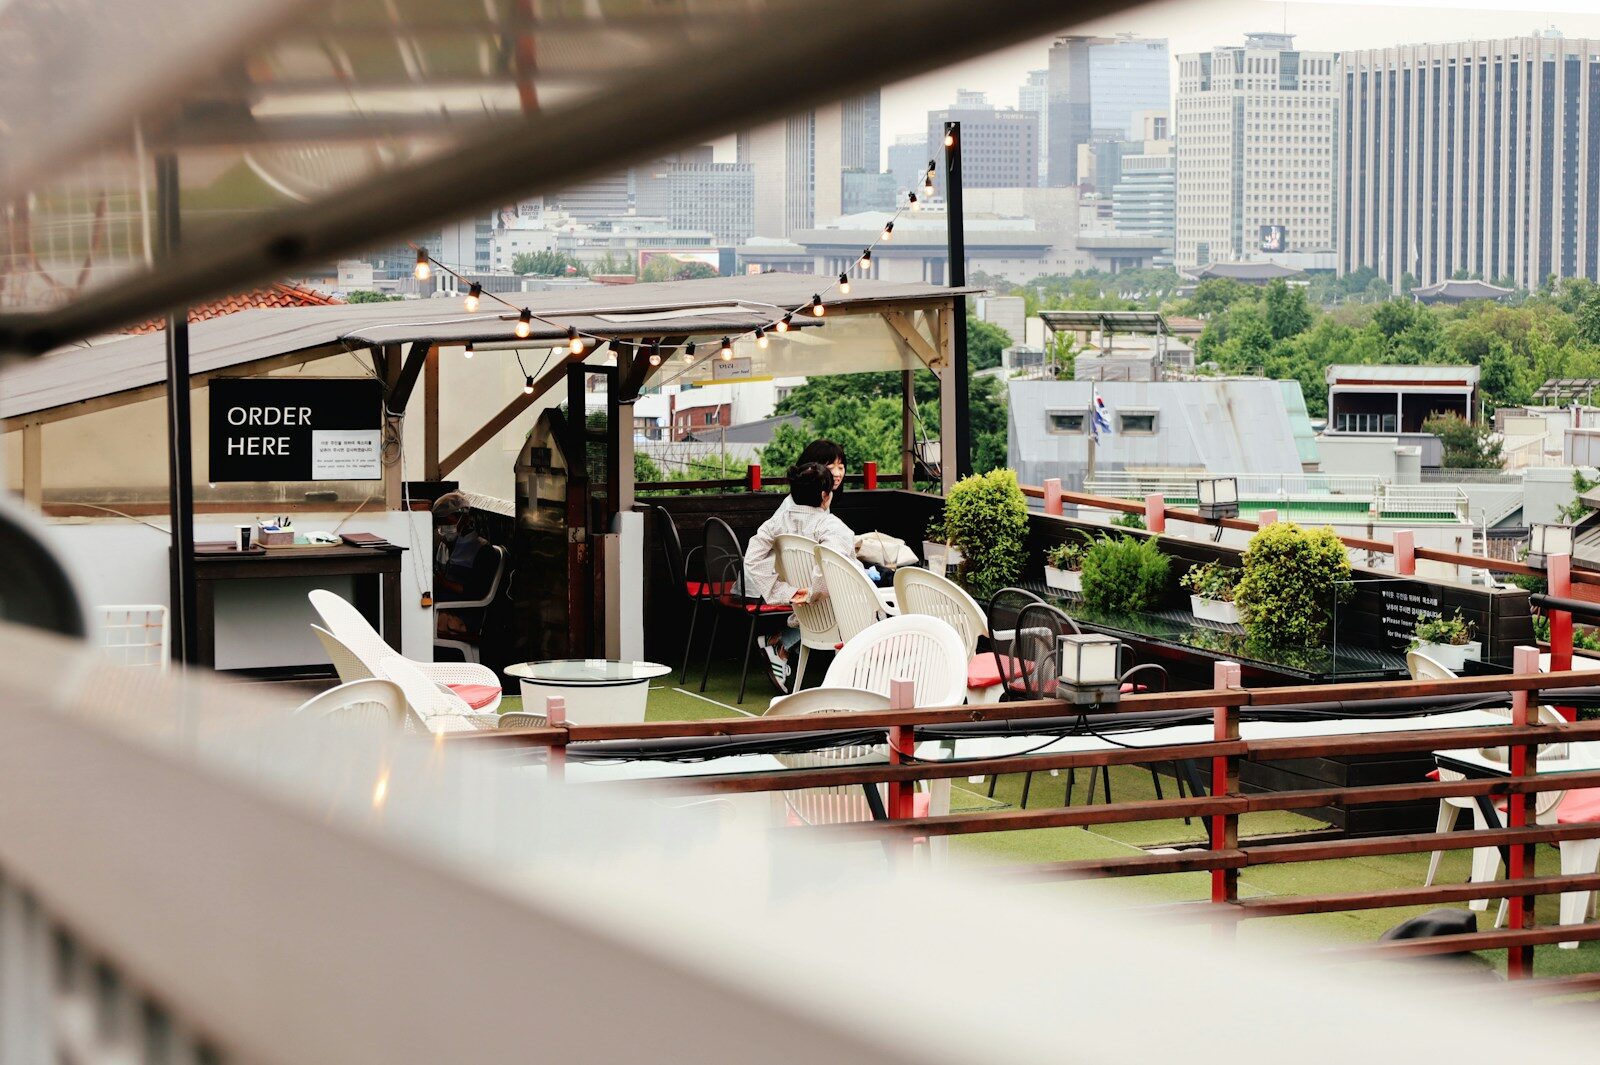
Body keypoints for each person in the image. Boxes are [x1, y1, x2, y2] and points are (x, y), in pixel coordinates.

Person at [743, 461, 864, 693]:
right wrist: (813, 592)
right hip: (845, 614)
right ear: (824, 495)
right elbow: (829, 563)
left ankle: (781, 643)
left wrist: (785, 591)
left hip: (807, 614)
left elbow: (753, 558)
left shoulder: (778, 523)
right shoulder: (831, 526)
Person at [431, 492, 499, 641]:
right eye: (440, 522)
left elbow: (476, 592)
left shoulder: (482, 550)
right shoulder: (444, 545)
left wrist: (443, 583)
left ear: (465, 518)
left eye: (448, 521)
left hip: (463, 614)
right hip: (444, 603)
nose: (444, 527)